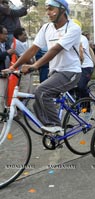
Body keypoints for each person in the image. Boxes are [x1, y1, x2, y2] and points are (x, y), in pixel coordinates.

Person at [3, 0, 82, 135]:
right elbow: (33, 49)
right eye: (47, 9)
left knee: (42, 91)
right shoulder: (46, 28)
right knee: (36, 103)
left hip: (70, 72)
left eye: (51, 9)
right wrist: (13, 67)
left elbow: (55, 49)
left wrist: (34, 66)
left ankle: (55, 126)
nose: (48, 13)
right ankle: (51, 133)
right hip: (55, 72)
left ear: (62, 10)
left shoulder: (73, 28)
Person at [72, 19, 93, 100]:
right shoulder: (71, 38)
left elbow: (81, 54)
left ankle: (87, 109)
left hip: (86, 67)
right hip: (77, 67)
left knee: (81, 87)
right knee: (73, 87)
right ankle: (77, 106)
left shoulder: (82, 38)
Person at [12, 27, 35, 93]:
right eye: (24, 35)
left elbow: (30, 55)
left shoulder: (24, 44)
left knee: (29, 91)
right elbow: (25, 58)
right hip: (23, 72)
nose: (26, 37)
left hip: (29, 70)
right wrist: (33, 65)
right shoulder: (16, 44)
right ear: (19, 36)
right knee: (23, 91)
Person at [0, 24, 15, 112]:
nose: (7, 35)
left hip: (7, 74)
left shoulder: (6, 45)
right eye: (5, 33)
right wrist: (6, 52)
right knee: (1, 97)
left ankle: (4, 114)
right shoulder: (6, 49)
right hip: (1, 75)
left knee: (5, 97)